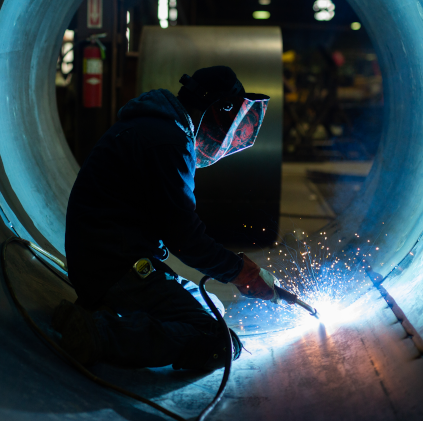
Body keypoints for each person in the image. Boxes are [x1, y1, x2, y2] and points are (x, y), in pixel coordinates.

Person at [53, 65, 278, 370]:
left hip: (104, 258)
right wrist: (239, 271)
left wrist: (235, 270)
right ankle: (101, 334)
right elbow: (184, 236)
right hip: (114, 266)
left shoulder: (158, 126)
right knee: (217, 340)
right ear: (214, 111)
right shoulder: (168, 140)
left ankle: (104, 311)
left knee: (215, 309)